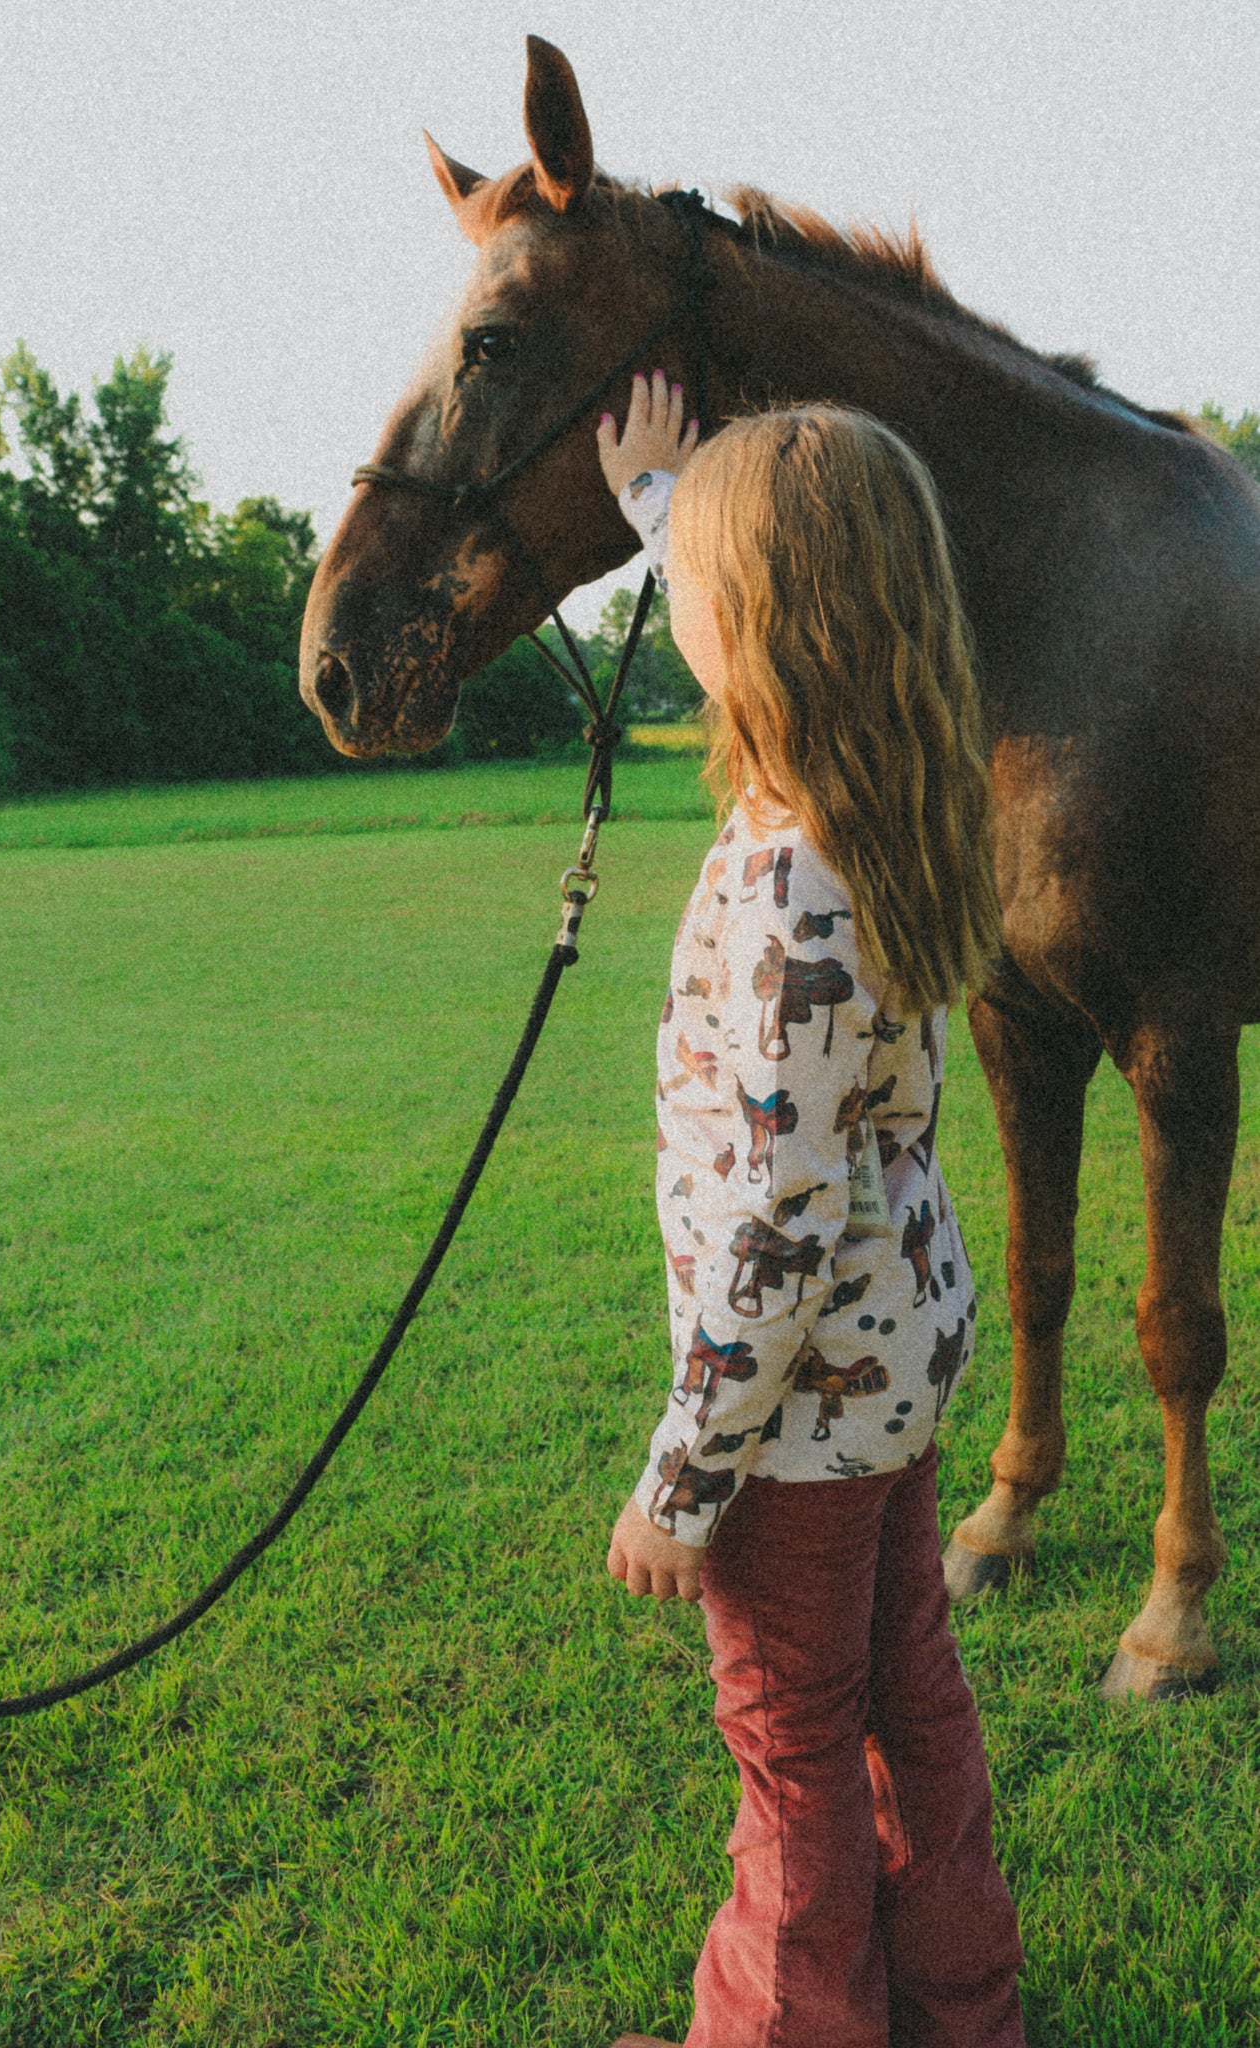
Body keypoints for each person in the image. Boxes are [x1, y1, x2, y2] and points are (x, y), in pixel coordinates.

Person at [597, 373, 1025, 2048]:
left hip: (784, 1424)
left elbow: (773, 1231)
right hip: (894, 1375)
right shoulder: (891, 803)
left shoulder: (788, 876)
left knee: (791, 1754)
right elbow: (757, 593)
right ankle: (959, 2009)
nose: (679, 606)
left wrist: (677, 1483)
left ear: (753, 623)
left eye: (694, 581)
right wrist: (662, 511)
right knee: (909, 1702)